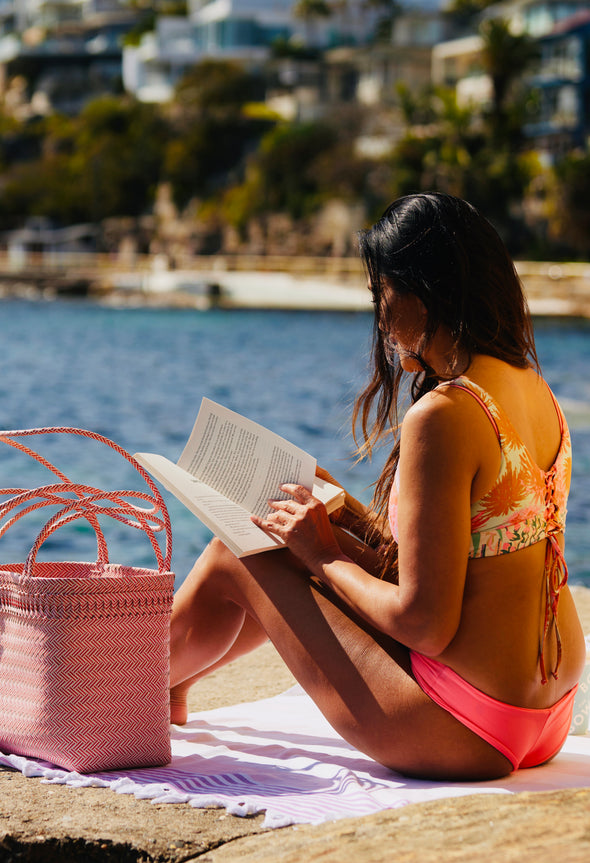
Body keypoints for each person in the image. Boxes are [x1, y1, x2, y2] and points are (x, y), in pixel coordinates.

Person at [169, 192, 585, 780]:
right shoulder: (533, 389)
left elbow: (423, 623)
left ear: (427, 292)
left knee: (235, 552)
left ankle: (123, 694)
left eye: (383, 297)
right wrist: (343, 518)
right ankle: (168, 684)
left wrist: (321, 556)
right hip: (545, 712)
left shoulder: (445, 414)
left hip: (465, 725)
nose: (383, 321)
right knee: (279, 536)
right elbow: (470, 555)